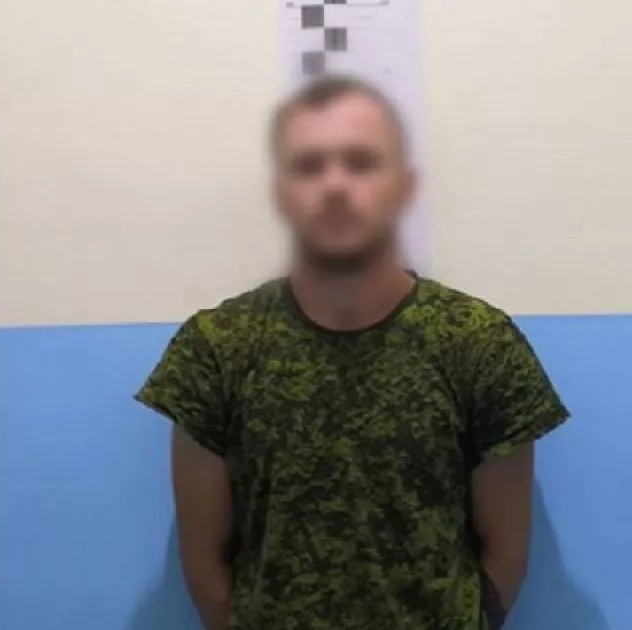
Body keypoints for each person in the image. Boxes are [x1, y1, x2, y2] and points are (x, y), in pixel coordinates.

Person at [136, 76, 569, 630]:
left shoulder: (479, 344)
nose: (336, 185)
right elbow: (204, 566)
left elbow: (506, 554)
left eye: (362, 162)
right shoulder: (215, 351)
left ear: (405, 186)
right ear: (280, 192)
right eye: (309, 166)